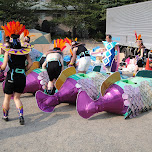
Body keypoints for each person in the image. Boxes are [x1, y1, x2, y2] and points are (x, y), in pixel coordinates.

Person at [1, 21, 32, 125]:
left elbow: (4, 66)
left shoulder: (8, 52)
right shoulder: (25, 52)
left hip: (11, 76)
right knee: (17, 98)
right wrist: (25, 69)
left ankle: (5, 116)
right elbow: (30, 64)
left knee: (7, 97)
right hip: (22, 76)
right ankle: (21, 116)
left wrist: (1, 68)